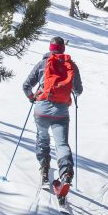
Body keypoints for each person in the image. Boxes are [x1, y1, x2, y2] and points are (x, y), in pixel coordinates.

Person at [22, 35, 83, 204]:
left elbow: (26, 85)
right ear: (63, 49)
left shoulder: (42, 64)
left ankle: (44, 169)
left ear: (50, 49)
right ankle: (66, 174)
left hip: (41, 110)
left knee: (42, 138)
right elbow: (79, 90)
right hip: (61, 112)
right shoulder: (71, 65)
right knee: (62, 144)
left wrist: (32, 97)